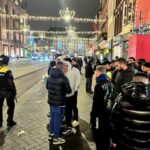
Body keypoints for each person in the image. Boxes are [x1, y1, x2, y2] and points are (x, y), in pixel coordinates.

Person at [111, 72, 150, 150]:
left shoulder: (122, 96)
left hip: (125, 141)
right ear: (148, 81)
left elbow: (114, 120)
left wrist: (114, 140)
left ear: (132, 80)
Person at [46, 61, 72, 145]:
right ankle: (56, 139)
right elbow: (69, 91)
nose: (65, 68)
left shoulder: (49, 77)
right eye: (64, 67)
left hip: (51, 102)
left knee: (52, 118)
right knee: (58, 120)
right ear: (61, 69)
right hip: (60, 103)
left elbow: (47, 87)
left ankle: (51, 134)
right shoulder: (64, 78)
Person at [90, 65, 113, 150]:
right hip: (107, 111)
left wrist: (93, 113)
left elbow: (97, 102)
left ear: (97, 72)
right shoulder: (109, 82)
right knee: (105, 131)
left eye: (95, 71)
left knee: (97, 132)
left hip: (99, 114)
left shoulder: (99, 84)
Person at [0, 55, 17, 127]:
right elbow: (11, 83)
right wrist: (14, 92)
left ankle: (0, 122)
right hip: (8, 92)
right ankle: (9, 121)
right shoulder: (7, 70)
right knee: (11, 106)